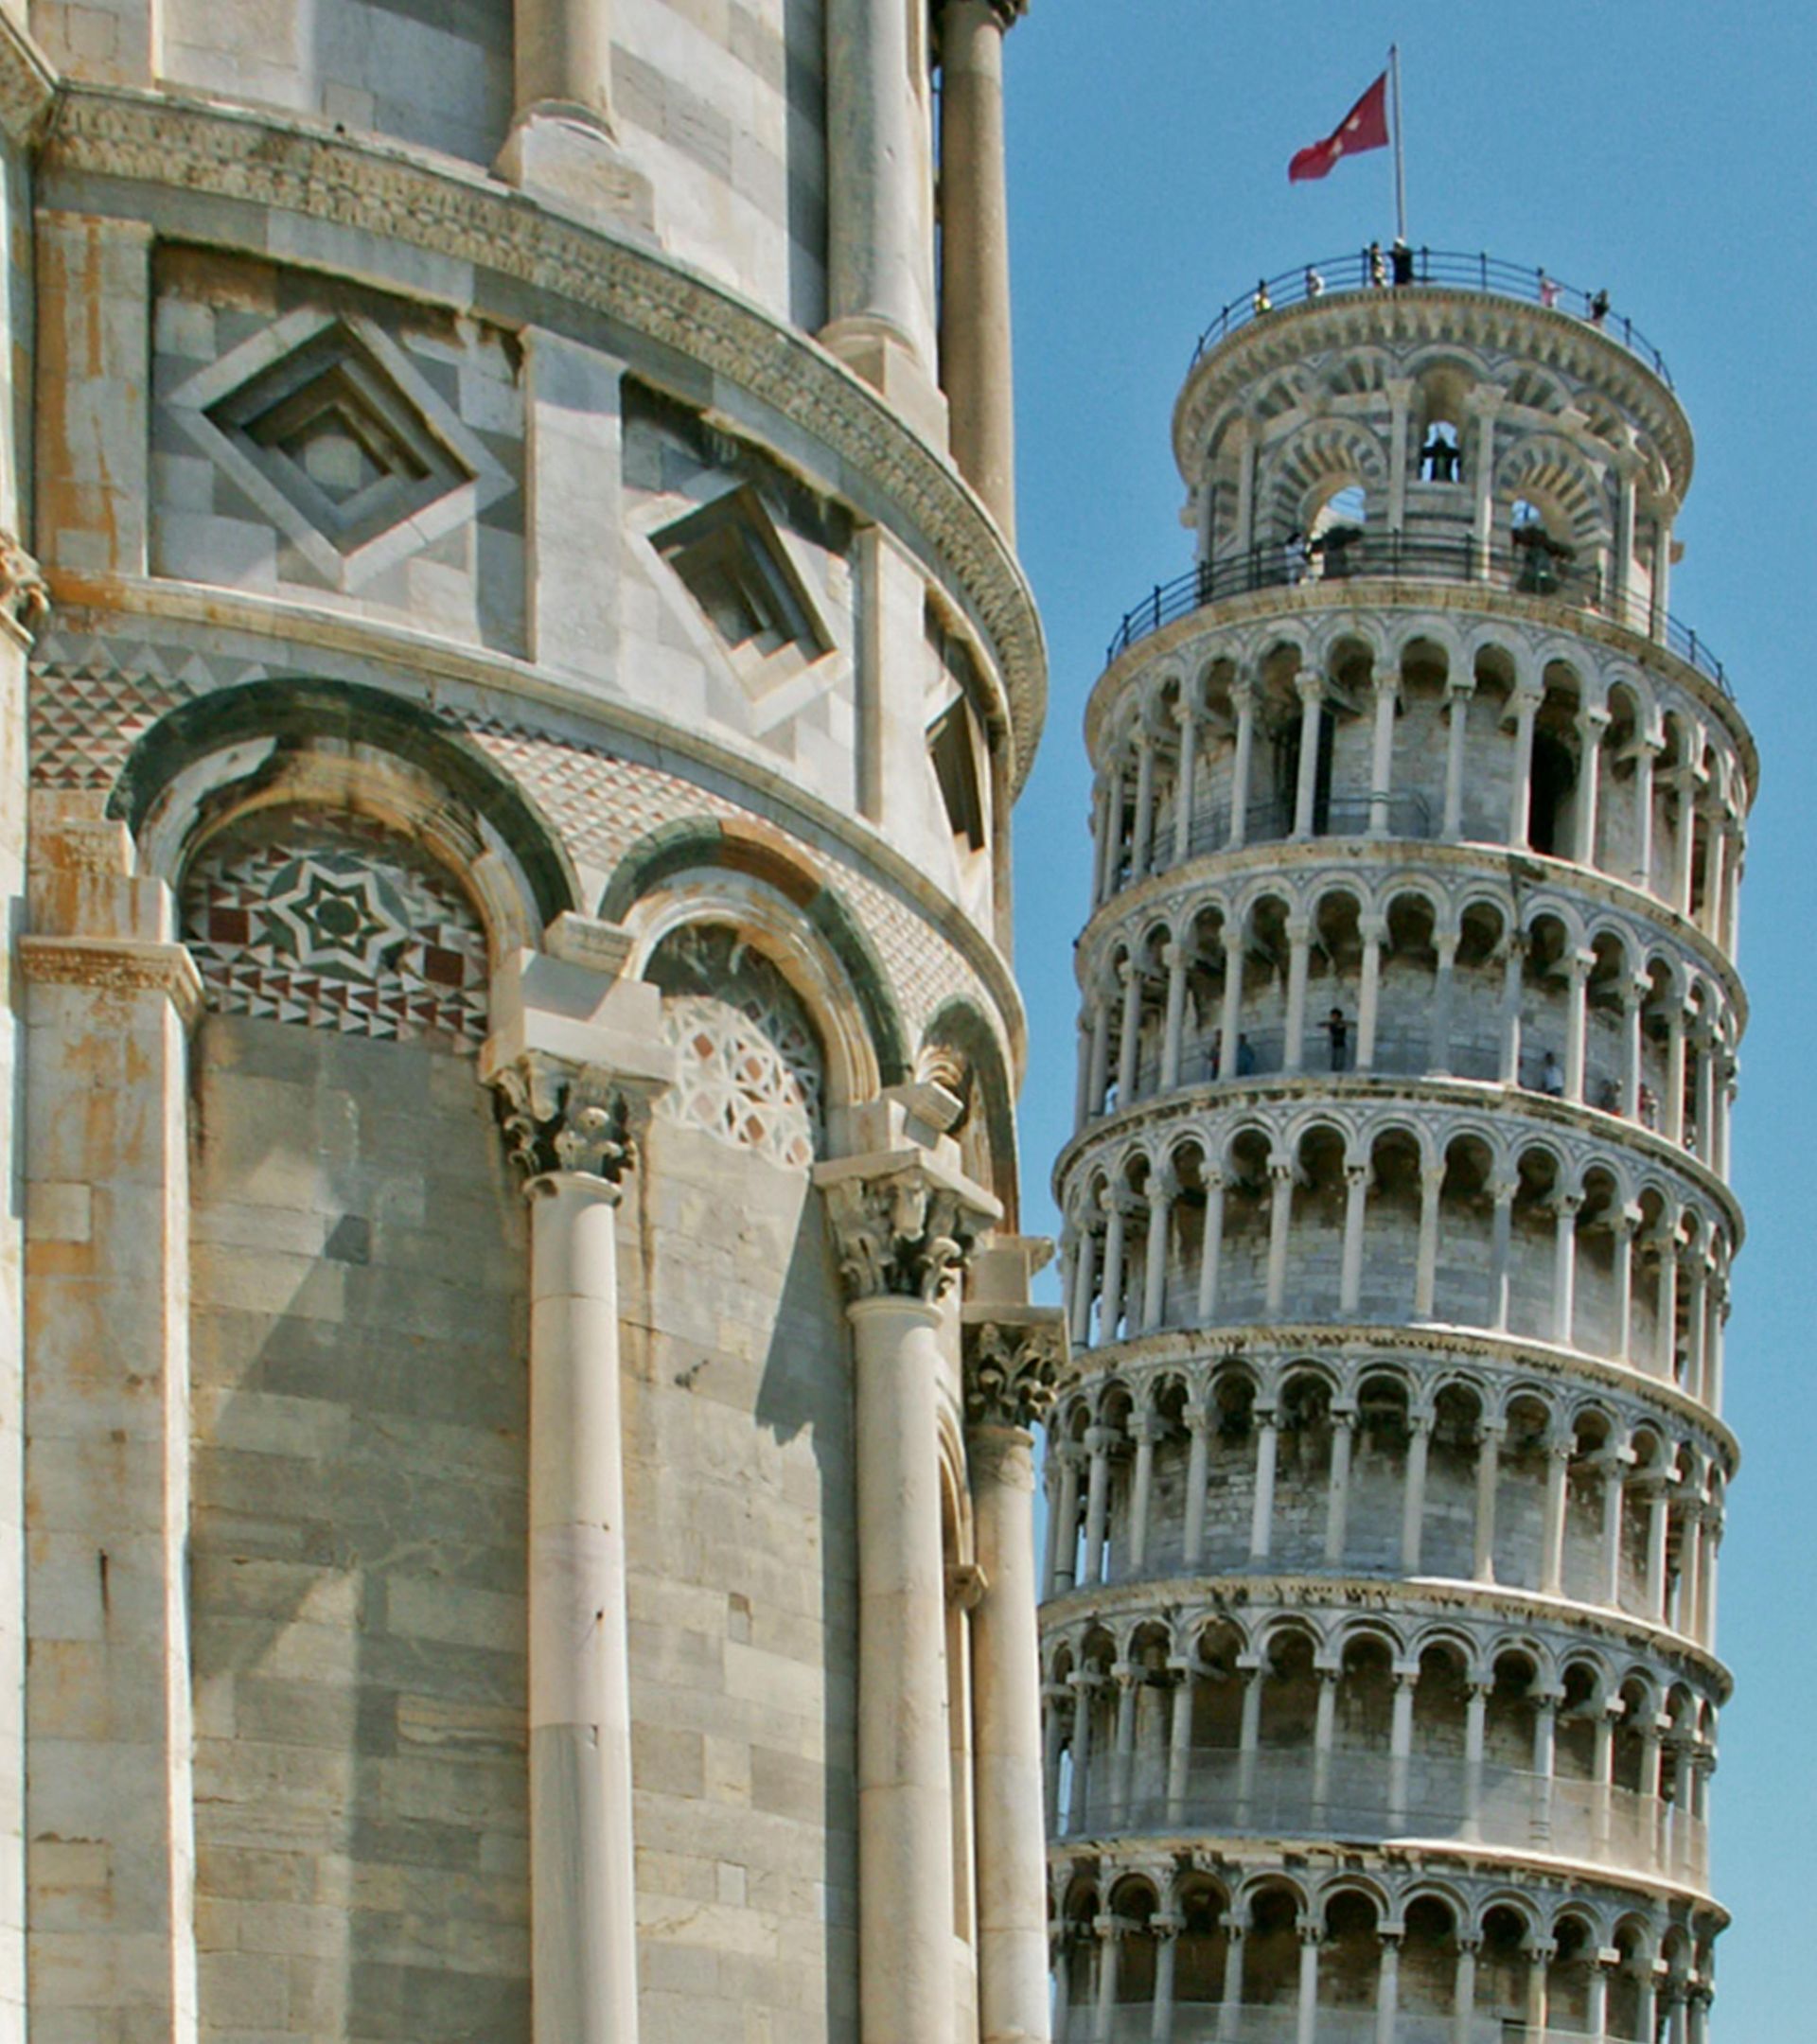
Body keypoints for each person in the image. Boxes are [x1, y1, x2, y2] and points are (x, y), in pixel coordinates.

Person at [1326, 1007, 1350, 1073]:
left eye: (1334, 1015)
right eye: (1332, 1015)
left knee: (1339, 1064)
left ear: (1338, 1016)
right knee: (1333, 1064)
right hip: (1334, 1045)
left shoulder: (1342, 1023)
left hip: (1341, 1045)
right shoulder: (1332, 1024)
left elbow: (1343, 1027)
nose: (1333, 1017)